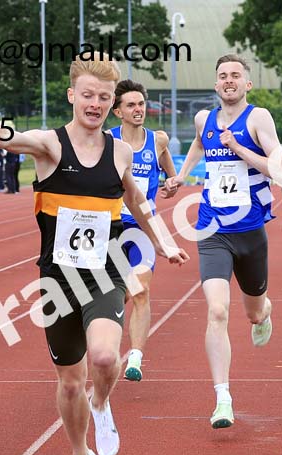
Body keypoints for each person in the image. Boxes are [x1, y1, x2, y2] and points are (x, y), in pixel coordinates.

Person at [0, 55, 188, 455]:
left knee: (103, 357)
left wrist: (163, 241)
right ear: (72, 97)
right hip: (58, 281)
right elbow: (11, 139)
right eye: (88, 95)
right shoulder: (50, 146)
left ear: (110, 103)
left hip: (105, 270)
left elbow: (137, 200)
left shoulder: (120, 151)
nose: (95, 104)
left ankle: (103, 405)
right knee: (68, 383)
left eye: (103, 98)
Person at [166, 54, 282, 430]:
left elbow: (277, 168)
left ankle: (264, 310)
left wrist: (240, 149)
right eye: (222, 76)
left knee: (252, 312)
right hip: (212, 230)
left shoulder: (259, 118)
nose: (229, 80)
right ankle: (223, 398)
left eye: (235, 75)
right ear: (216, 85)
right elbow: (199, 146)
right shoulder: (204, 119)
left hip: (250, 231)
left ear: (247, 84)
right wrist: (181, 176)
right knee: (217, 311)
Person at [108, 79, 177, 381]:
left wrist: (171, 185)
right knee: (114, 295)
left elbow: (171, 175)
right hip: (110, 226)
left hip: (143, 226)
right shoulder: (106, 140)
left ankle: (135, 356)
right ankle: (101, 330)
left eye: (140, 104)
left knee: (141, 290)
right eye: (131, 106)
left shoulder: (158, 139)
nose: (138, 110)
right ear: (117, 112)